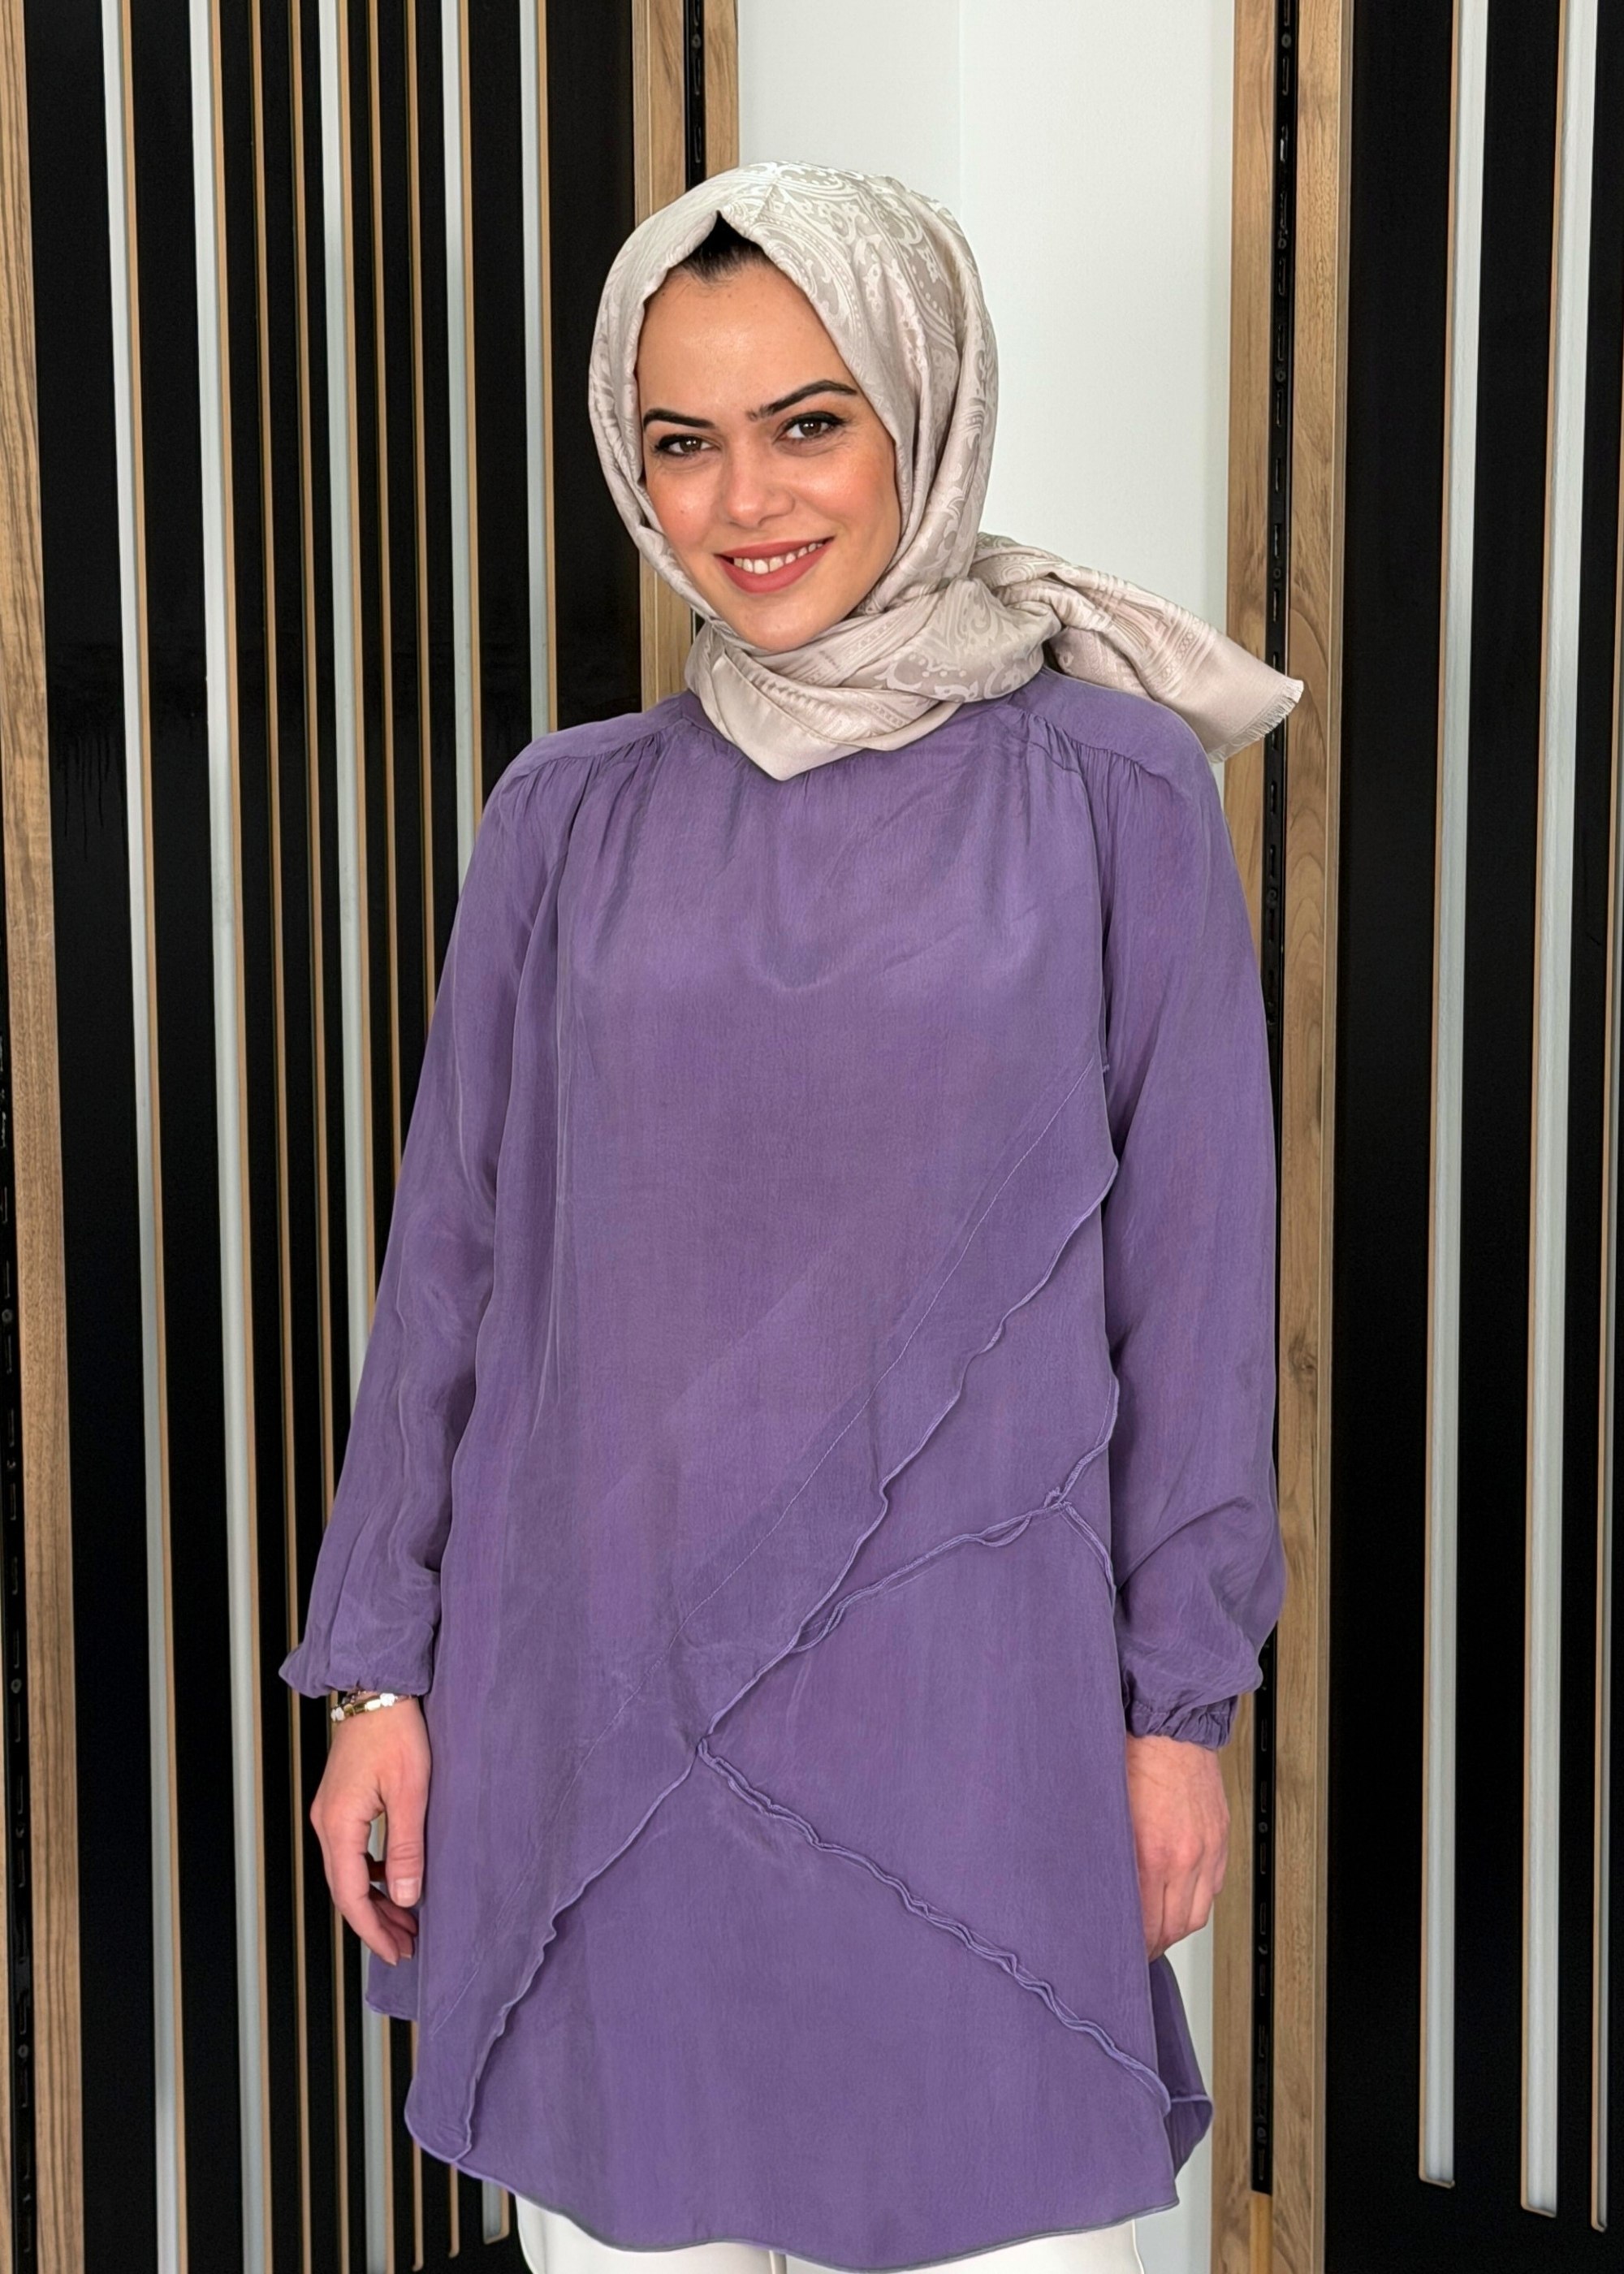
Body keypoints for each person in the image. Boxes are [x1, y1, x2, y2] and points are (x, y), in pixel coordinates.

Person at [279, 162, 1297, 2274]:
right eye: (684, 439)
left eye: (809, 421)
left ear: (923, 407)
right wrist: (376, 1681)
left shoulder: (1112, 790)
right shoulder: (566, 813)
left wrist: (1173, 1713)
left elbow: (1196, 1295)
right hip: (591, 1703)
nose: (743, 499)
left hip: (976, 1717)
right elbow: (452, 1266)